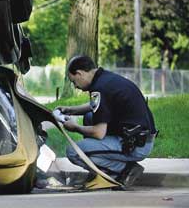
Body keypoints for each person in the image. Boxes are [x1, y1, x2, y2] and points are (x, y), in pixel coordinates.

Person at [57, 55, 157, 188]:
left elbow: (99, 133)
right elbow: (98, 105)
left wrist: (75, 127)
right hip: (137, 136)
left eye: (73, 81)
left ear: (80, 74)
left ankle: (125, 170)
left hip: (136, 146)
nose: (75, 86)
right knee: (89, 117)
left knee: (74, 151)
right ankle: (105, 168)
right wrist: (71, 110)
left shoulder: (99, 88)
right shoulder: (105, 79)